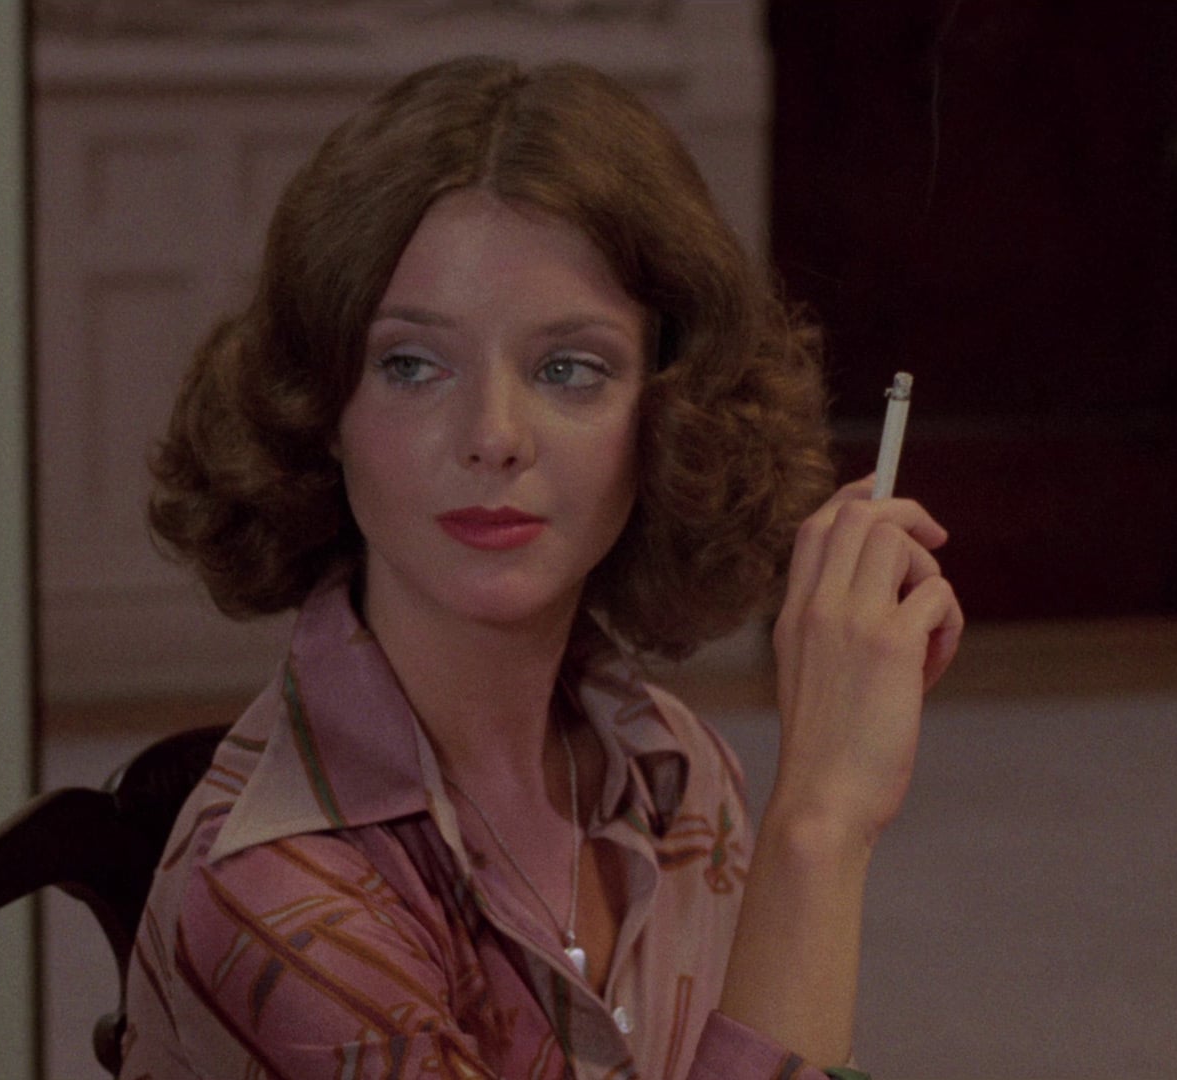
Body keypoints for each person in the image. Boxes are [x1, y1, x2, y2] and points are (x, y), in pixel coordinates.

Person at [123, 55, 962, 1080]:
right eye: (412, 365)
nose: (494, 436)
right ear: (322, 409)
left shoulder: (674, 765)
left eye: (570, 369)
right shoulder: (276, 895)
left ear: (668, 414)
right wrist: (820, 826)